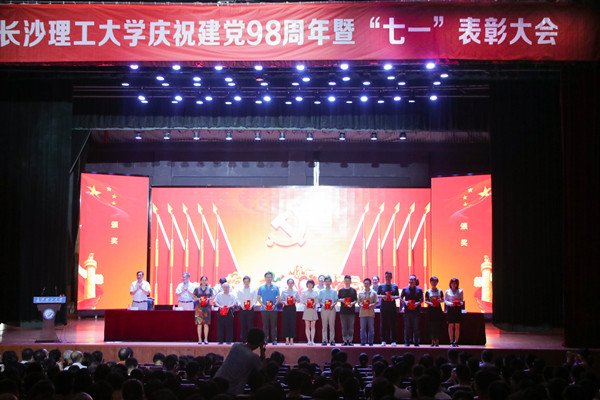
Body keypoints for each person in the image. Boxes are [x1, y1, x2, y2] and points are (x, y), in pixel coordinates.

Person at [214, 328, 267, 395]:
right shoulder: (253, 357)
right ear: (260, 342)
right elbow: (263, 368)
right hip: (231, 390)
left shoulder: (235, 346)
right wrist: (262, 349)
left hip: (216, 384)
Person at [257, 271, 280, 345]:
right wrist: (263, 305)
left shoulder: (275, 287)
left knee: (274, 325)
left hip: (273, 309)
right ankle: (265, 339)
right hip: (264, 309)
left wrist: (274, 305)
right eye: (267, 277)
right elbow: (258, 298)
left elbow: (278, 298)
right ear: (265, 278)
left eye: (270, 277)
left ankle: (274, 340)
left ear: (272, 278)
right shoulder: (261, 287)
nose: (268, 278)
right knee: (265, 326)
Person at [400, 274, 424, 346]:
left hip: (416, 312)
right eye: (410, 279)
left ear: (415, 281)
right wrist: (405, 302)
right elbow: (400, 298)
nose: (412, 281)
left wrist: (417, 303)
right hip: (407, 311)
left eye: (413, 279)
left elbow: (422, 300)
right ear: (408, 280)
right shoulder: (405, 289)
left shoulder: (419, 290)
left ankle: (416, 343)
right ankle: (407, 343)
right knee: (407, 328)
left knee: (416, 328)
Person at [377, 271, 399, 346]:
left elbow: (398, 296)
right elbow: (377, 295)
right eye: (386, 276)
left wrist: (393, 297)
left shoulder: (395, 286)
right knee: (383, 324)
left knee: (393, 324)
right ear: (385, 277)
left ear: (391, 277)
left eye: (389, 276)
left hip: (392, 307)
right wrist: (382, 296)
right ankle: (383, 340)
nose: (388, 278)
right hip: (384, 307)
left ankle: (393, 340)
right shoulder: (381, 286)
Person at [192, 276, 214, 344]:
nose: (204, 281)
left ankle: (206, 339)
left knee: (206, 324)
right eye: (203, 280)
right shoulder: (197, 289)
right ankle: (199, 339)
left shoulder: (209, 289)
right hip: (199, 308)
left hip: (207, 307)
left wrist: (208, 299)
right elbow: (193, 297)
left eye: (205, 280)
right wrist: (199, 299)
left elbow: (213, 297)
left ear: (207, 281)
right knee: (199, 324)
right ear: (200, 281)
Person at [317, 275, 338, 346]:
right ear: (324, 282)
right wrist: (323, 305)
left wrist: (333, 305)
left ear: (331, 282)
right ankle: (324, 340)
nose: (327, 283)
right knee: (324, 325)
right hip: (324, 309)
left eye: (328, 281)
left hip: (332, 309)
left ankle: (332, 340)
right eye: (326, 281)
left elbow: (336, 301)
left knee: (332, 325)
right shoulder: (321, 291)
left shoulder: (334, 291)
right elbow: (319, 300)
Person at [236, 275, 257, 343]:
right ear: (243, 282)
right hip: (242, 309)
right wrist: (241, 305)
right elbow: (238, 299)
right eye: (245, 282)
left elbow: (255, 299)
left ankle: (250, 339)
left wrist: (252, 305)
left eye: (247, 281)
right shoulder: (240, 290)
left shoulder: (253, 290)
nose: (246, 283)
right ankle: (243, 339)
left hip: (250, 309)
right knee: (243, 325)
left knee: (250, 325)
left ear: (249, 282)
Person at [338, 275, 357, 346]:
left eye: (348, 280)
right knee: (344, 327)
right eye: (346, 280)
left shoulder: (353, 290)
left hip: (351, 311)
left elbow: (356, 300)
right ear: (344, 281)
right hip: (343, 312)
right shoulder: (341, 290)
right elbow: (337, 299)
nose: (347, 282)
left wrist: (352, 303)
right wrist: (342, 300)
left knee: (351, 327)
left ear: (350, 281)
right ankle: (345, 340)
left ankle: (350, 340)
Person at [425, 276, 444, 347]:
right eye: (432, 281)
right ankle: (432, 340)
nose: (434, 283)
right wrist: (430, 303)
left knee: (438, 325)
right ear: (430, 282)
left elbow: (443, 300)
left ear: (437, 282)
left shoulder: (440, 291)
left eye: (435, 281)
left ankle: (437, 341)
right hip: (431, 309)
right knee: (431, 326)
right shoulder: (428, 291)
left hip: (438, 309)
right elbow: (425, 301)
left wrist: (439, 301)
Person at [358, 277, 378, 346]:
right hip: (362, 313)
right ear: (363, 284)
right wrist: (362, 305)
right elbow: (359, 302)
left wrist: (371, 305)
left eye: (368, 284)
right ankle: (363, 342)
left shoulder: (374, 293)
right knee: (362, 329)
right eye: (365, 283)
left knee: (371, 329)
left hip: (370, 313)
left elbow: (376, 302)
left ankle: (370, 342)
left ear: (370, 284)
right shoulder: (360, 293)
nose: (366, 285)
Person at [445, 277, 464, 347]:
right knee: (450, 325)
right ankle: (451, 341)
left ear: (457, 284)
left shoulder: (460, 291)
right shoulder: (447, 291)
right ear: (450, 284)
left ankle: (456, 341)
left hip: (457, 309)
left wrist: (459, 303)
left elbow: (462, 301)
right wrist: (450, 303)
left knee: (457, 325)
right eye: (452, 283)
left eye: (455, 283)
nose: (454, 284)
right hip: (450, 309)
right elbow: (445, 300)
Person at [280, 278, 300, 345]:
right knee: (286, 323)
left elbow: (299, 301)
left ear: (293, 284)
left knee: (292, 323)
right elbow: (281, 300)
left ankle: (291, 339)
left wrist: (295, 298)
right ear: (287, 284)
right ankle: (287, 340)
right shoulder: (284, 291)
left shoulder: (296, 291)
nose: (290, 284)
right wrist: (285, 302)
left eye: (292, 283)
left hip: (292, 308)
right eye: (289, 283)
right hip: (286, 307)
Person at [301, 279, 319, 345]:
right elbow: (302, 300)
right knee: (307, 326)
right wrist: (306, 304)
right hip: (307, 309)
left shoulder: (315, 292)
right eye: (308, 284)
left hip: (313, 309)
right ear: (307, 285)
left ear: (313, 285)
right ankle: (308, 340)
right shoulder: (304, 292)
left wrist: (314, 304)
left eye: (311, 284)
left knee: (313, 326)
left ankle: (312, 340)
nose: (310, 285)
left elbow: (317, 301)